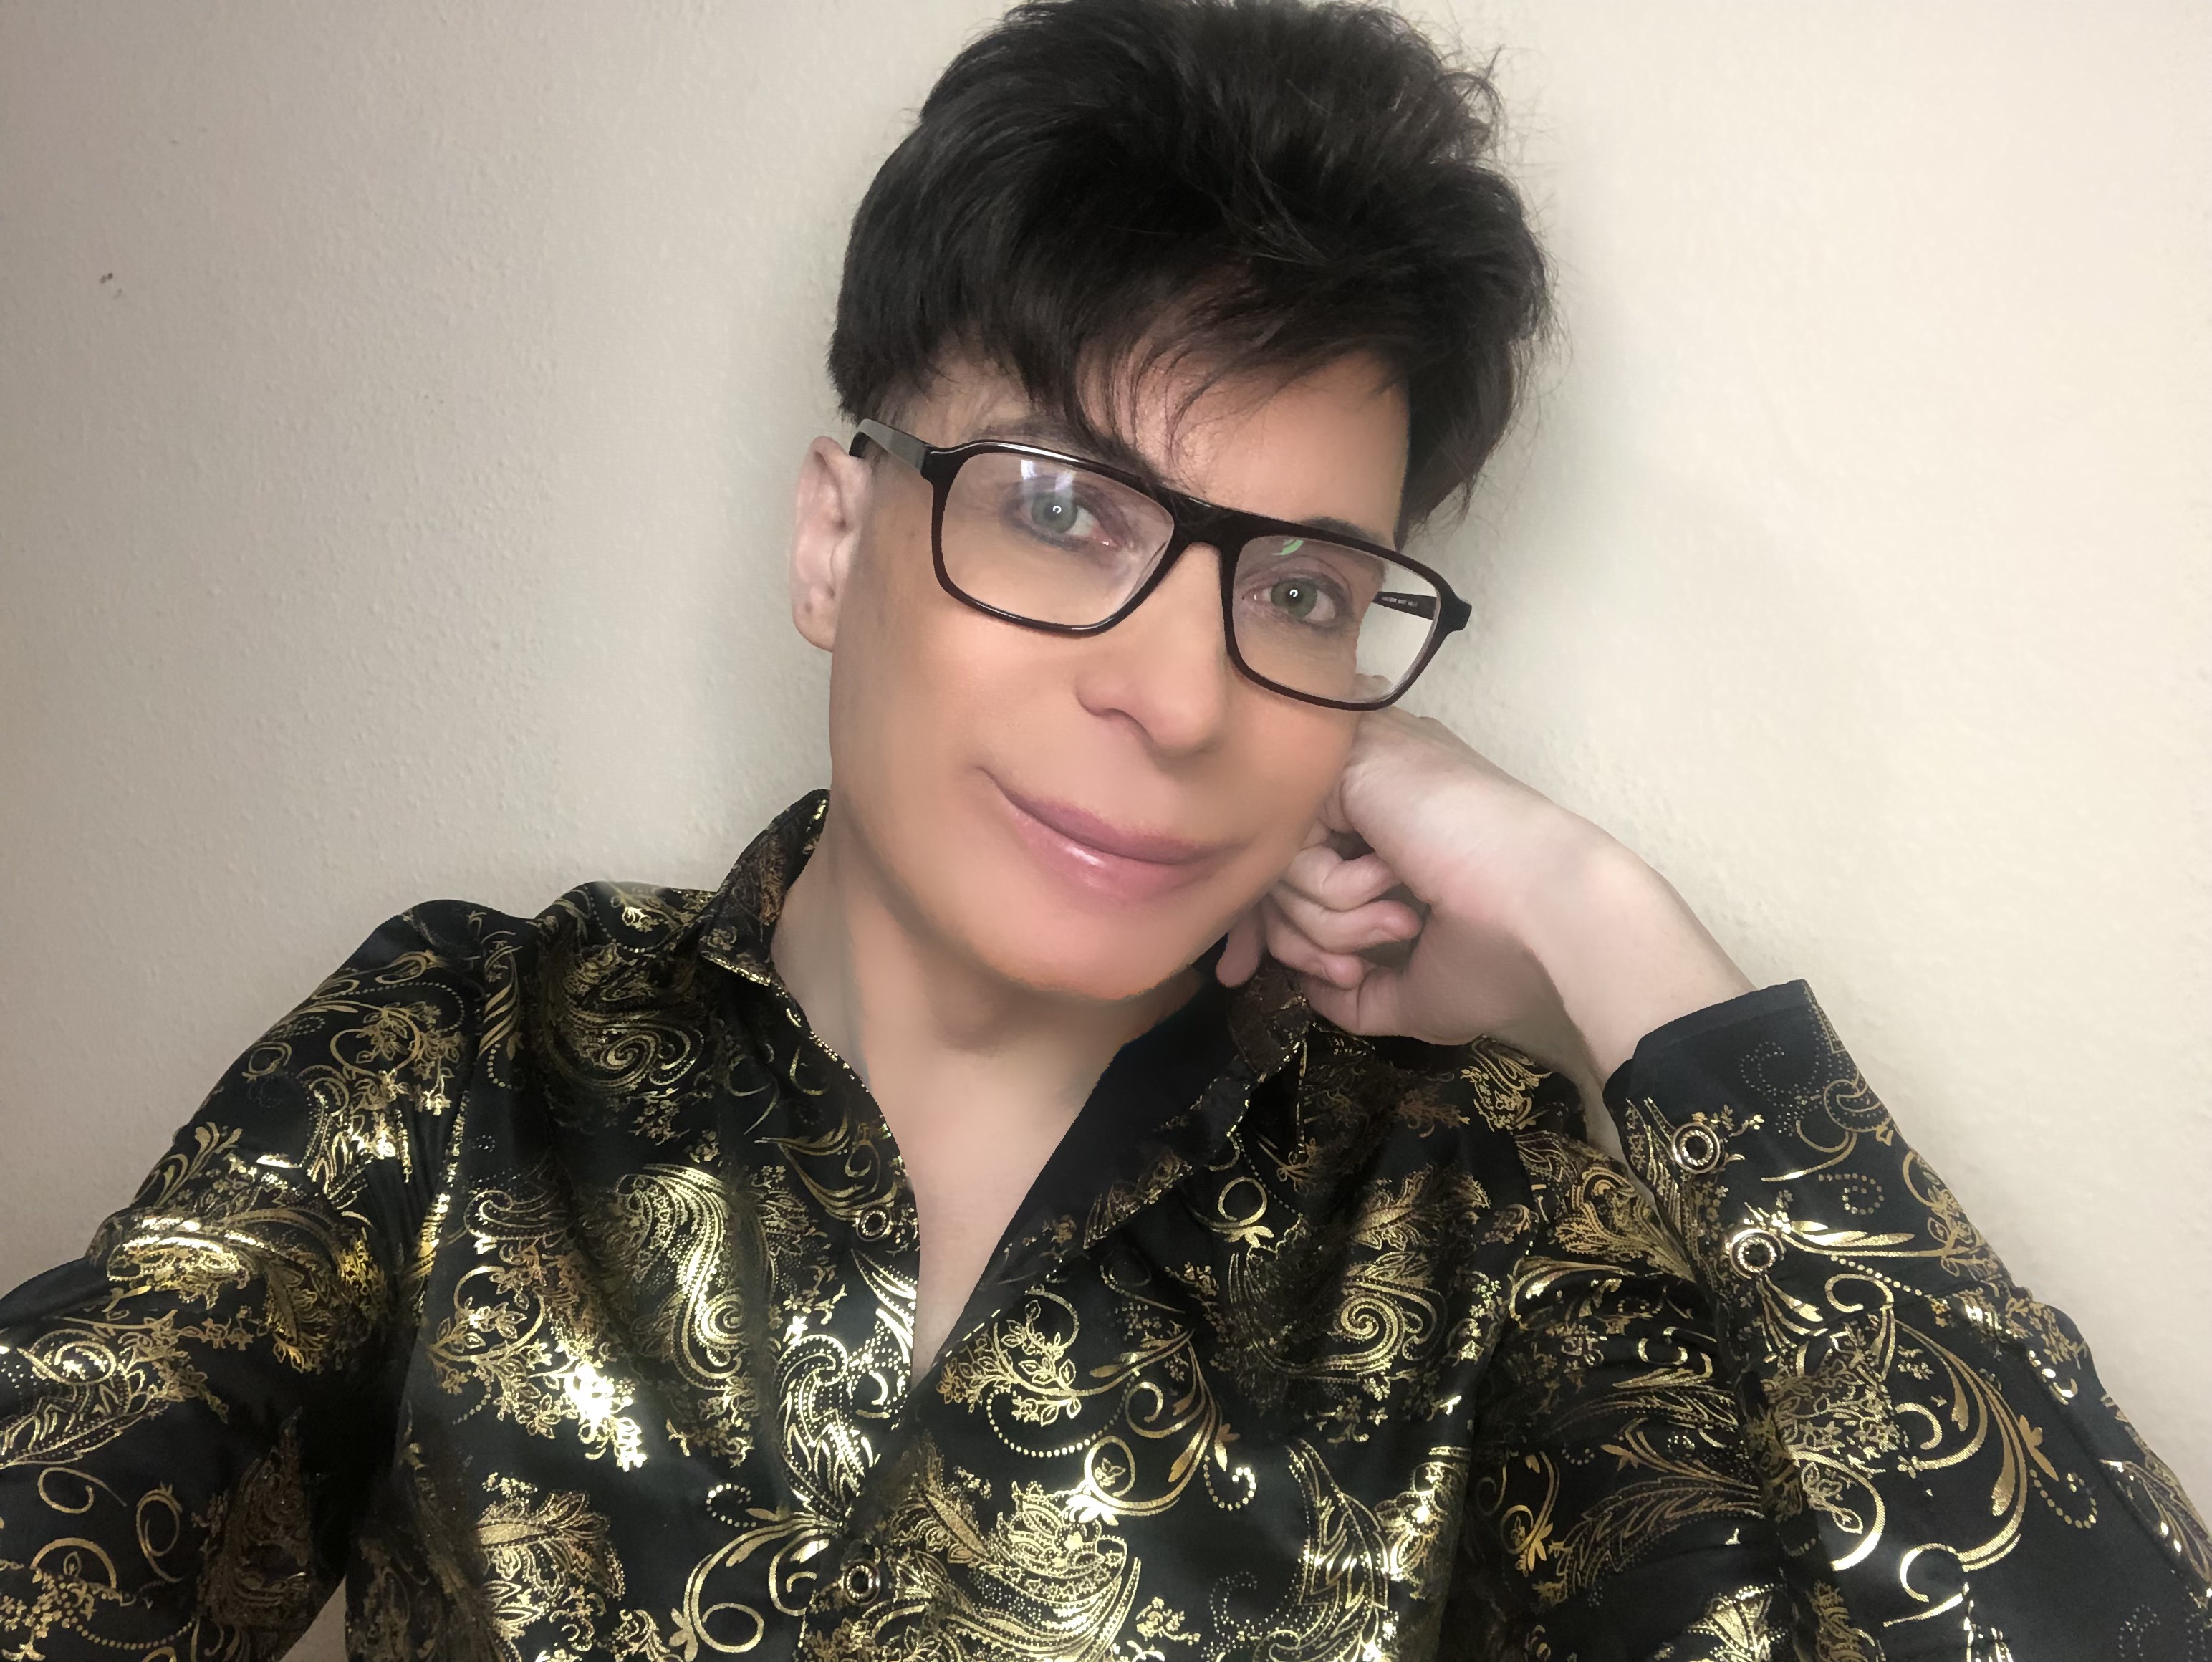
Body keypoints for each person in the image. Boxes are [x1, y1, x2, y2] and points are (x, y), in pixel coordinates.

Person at [1, 0, 2204, 1656]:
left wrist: (1608, 927)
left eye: (1303, 589)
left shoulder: (1477, 1219)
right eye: (1060, 508)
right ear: (835, 536)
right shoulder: (468, 1054)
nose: (1181, 694)